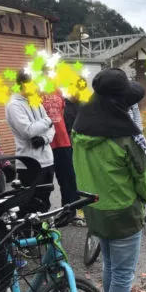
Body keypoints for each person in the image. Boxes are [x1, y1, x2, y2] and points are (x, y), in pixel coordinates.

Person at [72, 68, 146, 292]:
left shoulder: (80, 131)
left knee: (109, 265)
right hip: (122, 213)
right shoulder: (124, 138)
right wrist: (145, 196)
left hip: (94, 209)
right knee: (122, 275)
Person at [5, 70, 55, 211]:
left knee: (44, 203)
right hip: (29, 163)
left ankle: (43, 232)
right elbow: (27, 131)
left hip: (48, 160)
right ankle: (29, 233)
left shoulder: (36, 102)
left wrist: (45, 138)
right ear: (22, 84)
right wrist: (47, 120)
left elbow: (52, 129)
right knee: (29, 205)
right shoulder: (13, 105)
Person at [42, 89, 85, 226]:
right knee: (44, 184)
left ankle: (70, 213)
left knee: (69, 180)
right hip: (44, 144)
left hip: (63, 141)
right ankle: (41, 216)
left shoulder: (58, 92)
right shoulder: (34, 92)